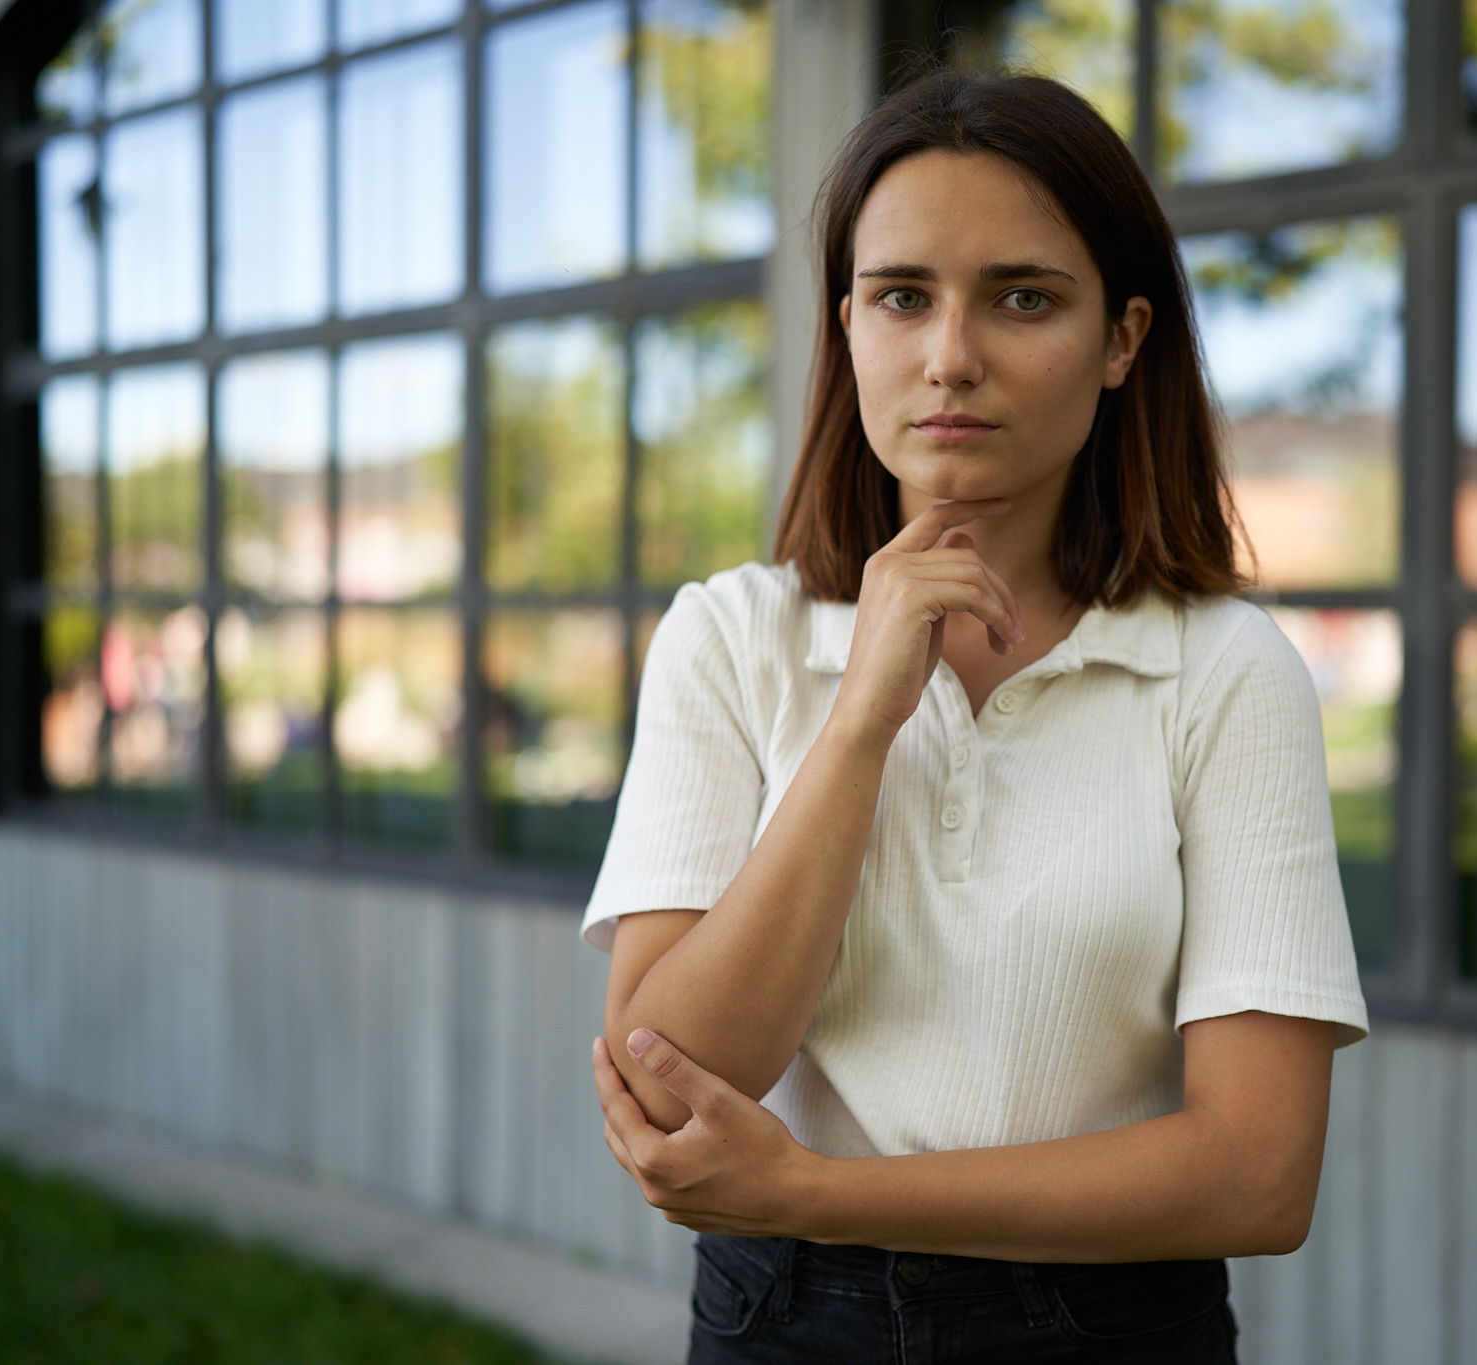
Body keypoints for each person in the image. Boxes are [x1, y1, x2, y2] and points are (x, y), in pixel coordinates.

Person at [581, 67, 1367, 1364]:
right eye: (902, 296)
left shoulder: (1225, 673)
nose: (951, 356)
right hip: (783, 1326)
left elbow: (1259, 1173)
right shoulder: (730, 637)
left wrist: (812, 1192)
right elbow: (667, 1069)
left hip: (1106, 1327)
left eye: (1022, 296)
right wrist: (859, 726)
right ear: (845, 326)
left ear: (1122, 340)